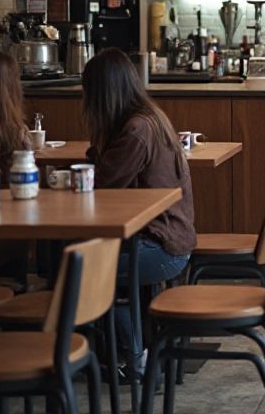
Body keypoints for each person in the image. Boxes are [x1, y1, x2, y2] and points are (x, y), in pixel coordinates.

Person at [81, 48, 195, 370]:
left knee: (81, 273)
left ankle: (134, 358)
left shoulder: (135, 130)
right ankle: (120, 351)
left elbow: (102, 186)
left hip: (161, 248)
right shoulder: (149, 118)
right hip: (171, 237)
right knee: (82, 264)